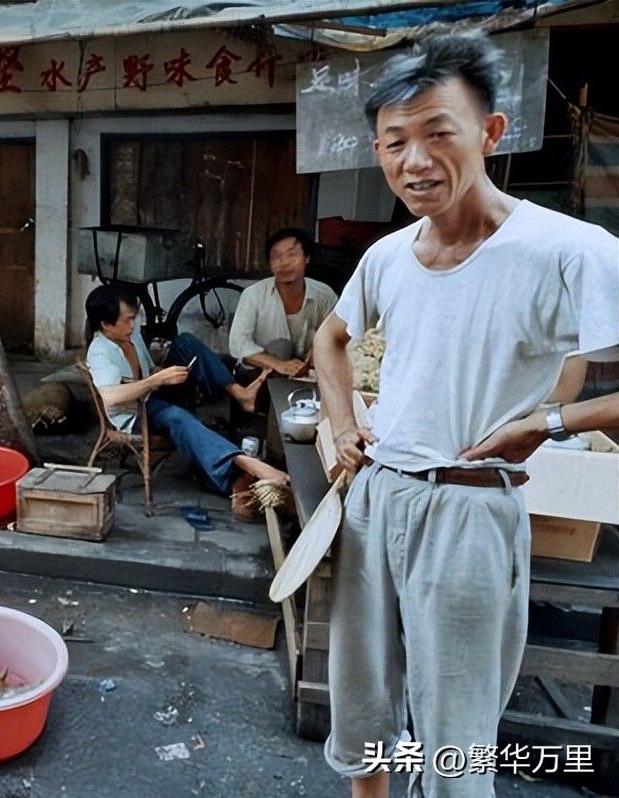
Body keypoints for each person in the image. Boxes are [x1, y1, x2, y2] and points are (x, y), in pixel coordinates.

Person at [311, 34, 618, 798]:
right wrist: (344, 424)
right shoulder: (386, 256)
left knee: (455, 732)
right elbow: (330, 337)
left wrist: (546, 426)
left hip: (473, 503)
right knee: (360, 704)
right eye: (394, 141)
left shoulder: (569, 251)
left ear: (490, 133)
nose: (414, 160)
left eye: (437, 132)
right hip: (378, 498)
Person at [84, 285, 287, 516]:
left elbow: (149, 369)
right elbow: (110, 397)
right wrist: (157, 380)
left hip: (153, 394)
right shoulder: (100, 351)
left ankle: (242, 395)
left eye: (134, 319)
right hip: (134, 413)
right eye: (127, 320)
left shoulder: (131, 334)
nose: (133, 325)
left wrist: (166, 374)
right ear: (106, 324)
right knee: (177, 417)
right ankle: (247, 464)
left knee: (186, 343)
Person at [228, 227, 338, 378]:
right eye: (277, 257)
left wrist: (317, 351)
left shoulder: (324, 296)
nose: (284, 263)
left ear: (307, 258)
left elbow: (337, 335)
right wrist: (278, 364)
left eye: (292, 255)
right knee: (281, 348)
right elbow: (238, 344)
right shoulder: (253, 295)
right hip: (258, 373)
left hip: (306, 372)